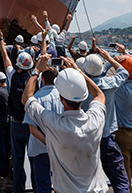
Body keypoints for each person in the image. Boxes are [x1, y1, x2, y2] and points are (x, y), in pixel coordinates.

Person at [22, 54, 108, 193]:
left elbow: (26, 99)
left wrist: (36, 70)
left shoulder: (54, 123)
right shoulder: (95, 120)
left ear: (61, 98)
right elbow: (99, 95)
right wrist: (78, 72)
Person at [82, 49, 130, 193]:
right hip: (106, 137)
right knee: (120, 180)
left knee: (87, 181)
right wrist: (109, 58)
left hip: (86, 140)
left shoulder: (81, 87)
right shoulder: (109, 84)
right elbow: (124, 73)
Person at [0, 26, 33, 193]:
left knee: (18, 162)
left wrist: (1, 39)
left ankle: (19, 190)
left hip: (16, 123)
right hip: (31, 125)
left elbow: (5, 58)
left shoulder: (11, 76)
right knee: (33, 159)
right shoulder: (34, 79)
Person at [23, 66, 63, 193]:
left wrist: (49, 142)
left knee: (42, 185)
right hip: (60, 149)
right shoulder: (63, 98)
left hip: (39, 150)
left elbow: (32, 129)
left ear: (42, 79)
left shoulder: (36, 99)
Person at [114, 55, 132, 192]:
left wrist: (111, 60)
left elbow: (98, 76)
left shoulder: (120, 89)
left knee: (125, 170)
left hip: (124, 132)